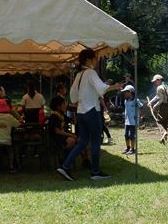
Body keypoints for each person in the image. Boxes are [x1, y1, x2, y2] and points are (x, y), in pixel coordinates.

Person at [56, 48, 122, 181]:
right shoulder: (91, 72)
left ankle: (65, 166)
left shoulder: (79, 74)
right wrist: (115, 86)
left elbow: (73, 97)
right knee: (96, 141)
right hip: (92, 111)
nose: (96, 60)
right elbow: (101, 88)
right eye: (95, 58)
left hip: (81, 112)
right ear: (88, 60)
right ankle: (95, 172)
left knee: (82, 142)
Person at [121, 84, 143, 155]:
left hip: (133, 121)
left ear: (130, 92)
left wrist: (140, 117)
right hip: (127, 121)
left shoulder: (136, 100)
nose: (124, 93)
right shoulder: (125, 100)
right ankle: (128, 147)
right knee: (126, 135)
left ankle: (132, 149)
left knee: (132, 135)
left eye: (125, 92)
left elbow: (140, 107)